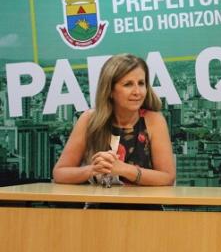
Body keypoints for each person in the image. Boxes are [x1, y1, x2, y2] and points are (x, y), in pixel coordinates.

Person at [53, 54, 176, 186]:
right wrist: (94, 169)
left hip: (143, 205)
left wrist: (124, 169)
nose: (137, 92)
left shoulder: (154, 120)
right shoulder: (89, 119)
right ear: (110, 90)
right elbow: (60, 173)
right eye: (128, 84)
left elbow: (167, 177)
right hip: (99, 204)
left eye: (141, 83)